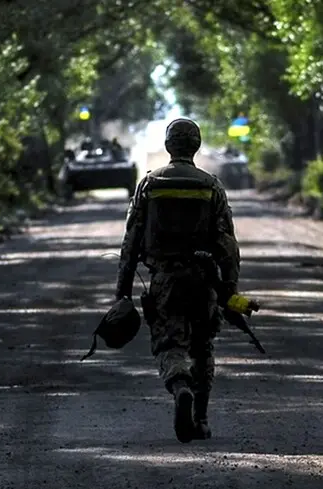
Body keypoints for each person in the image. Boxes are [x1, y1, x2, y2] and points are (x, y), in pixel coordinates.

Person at [113, 118, 241, 443]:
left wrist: (123, 292)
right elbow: (227, 244)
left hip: (165, 280)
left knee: (170, 344)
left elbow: (131, 242)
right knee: (202, 346)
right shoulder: (211, 185)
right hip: (204, 280)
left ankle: (180, 386)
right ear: (195, 146)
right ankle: (201, 418)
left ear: (170, 145)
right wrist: (230, 289)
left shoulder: (149, 184)